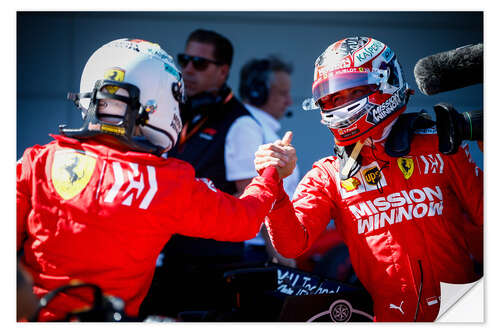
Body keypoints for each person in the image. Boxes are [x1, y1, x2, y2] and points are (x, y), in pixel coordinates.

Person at [16, 38, 296, 321]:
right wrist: (271, 172)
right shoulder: (166, 181)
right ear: (158, 101)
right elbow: (245, 220)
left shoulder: (37, 161)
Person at [254, 37, 483, 322]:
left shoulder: (442, 143)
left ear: (384, 83)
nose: (333, 103)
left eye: (344, 93)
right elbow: (290, 245)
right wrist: (274, 186)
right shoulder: (328, 174)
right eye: (326, 97)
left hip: (466, 315)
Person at [140, 29, 261, 318]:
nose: (188, 69)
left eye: (200, 63)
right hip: (167, 260)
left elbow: (250, 201)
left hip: (212, 268)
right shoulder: (176, 111)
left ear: (223, 71)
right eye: (185, 60)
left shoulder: (241, 124)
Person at [234, 56, 300, 265]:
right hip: (257, 251)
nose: (289, 101)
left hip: (268, 247)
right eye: (282, 93)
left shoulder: (258, 127)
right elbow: (251, 197)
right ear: (257, 91)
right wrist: (280, 256)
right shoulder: (246, 127)